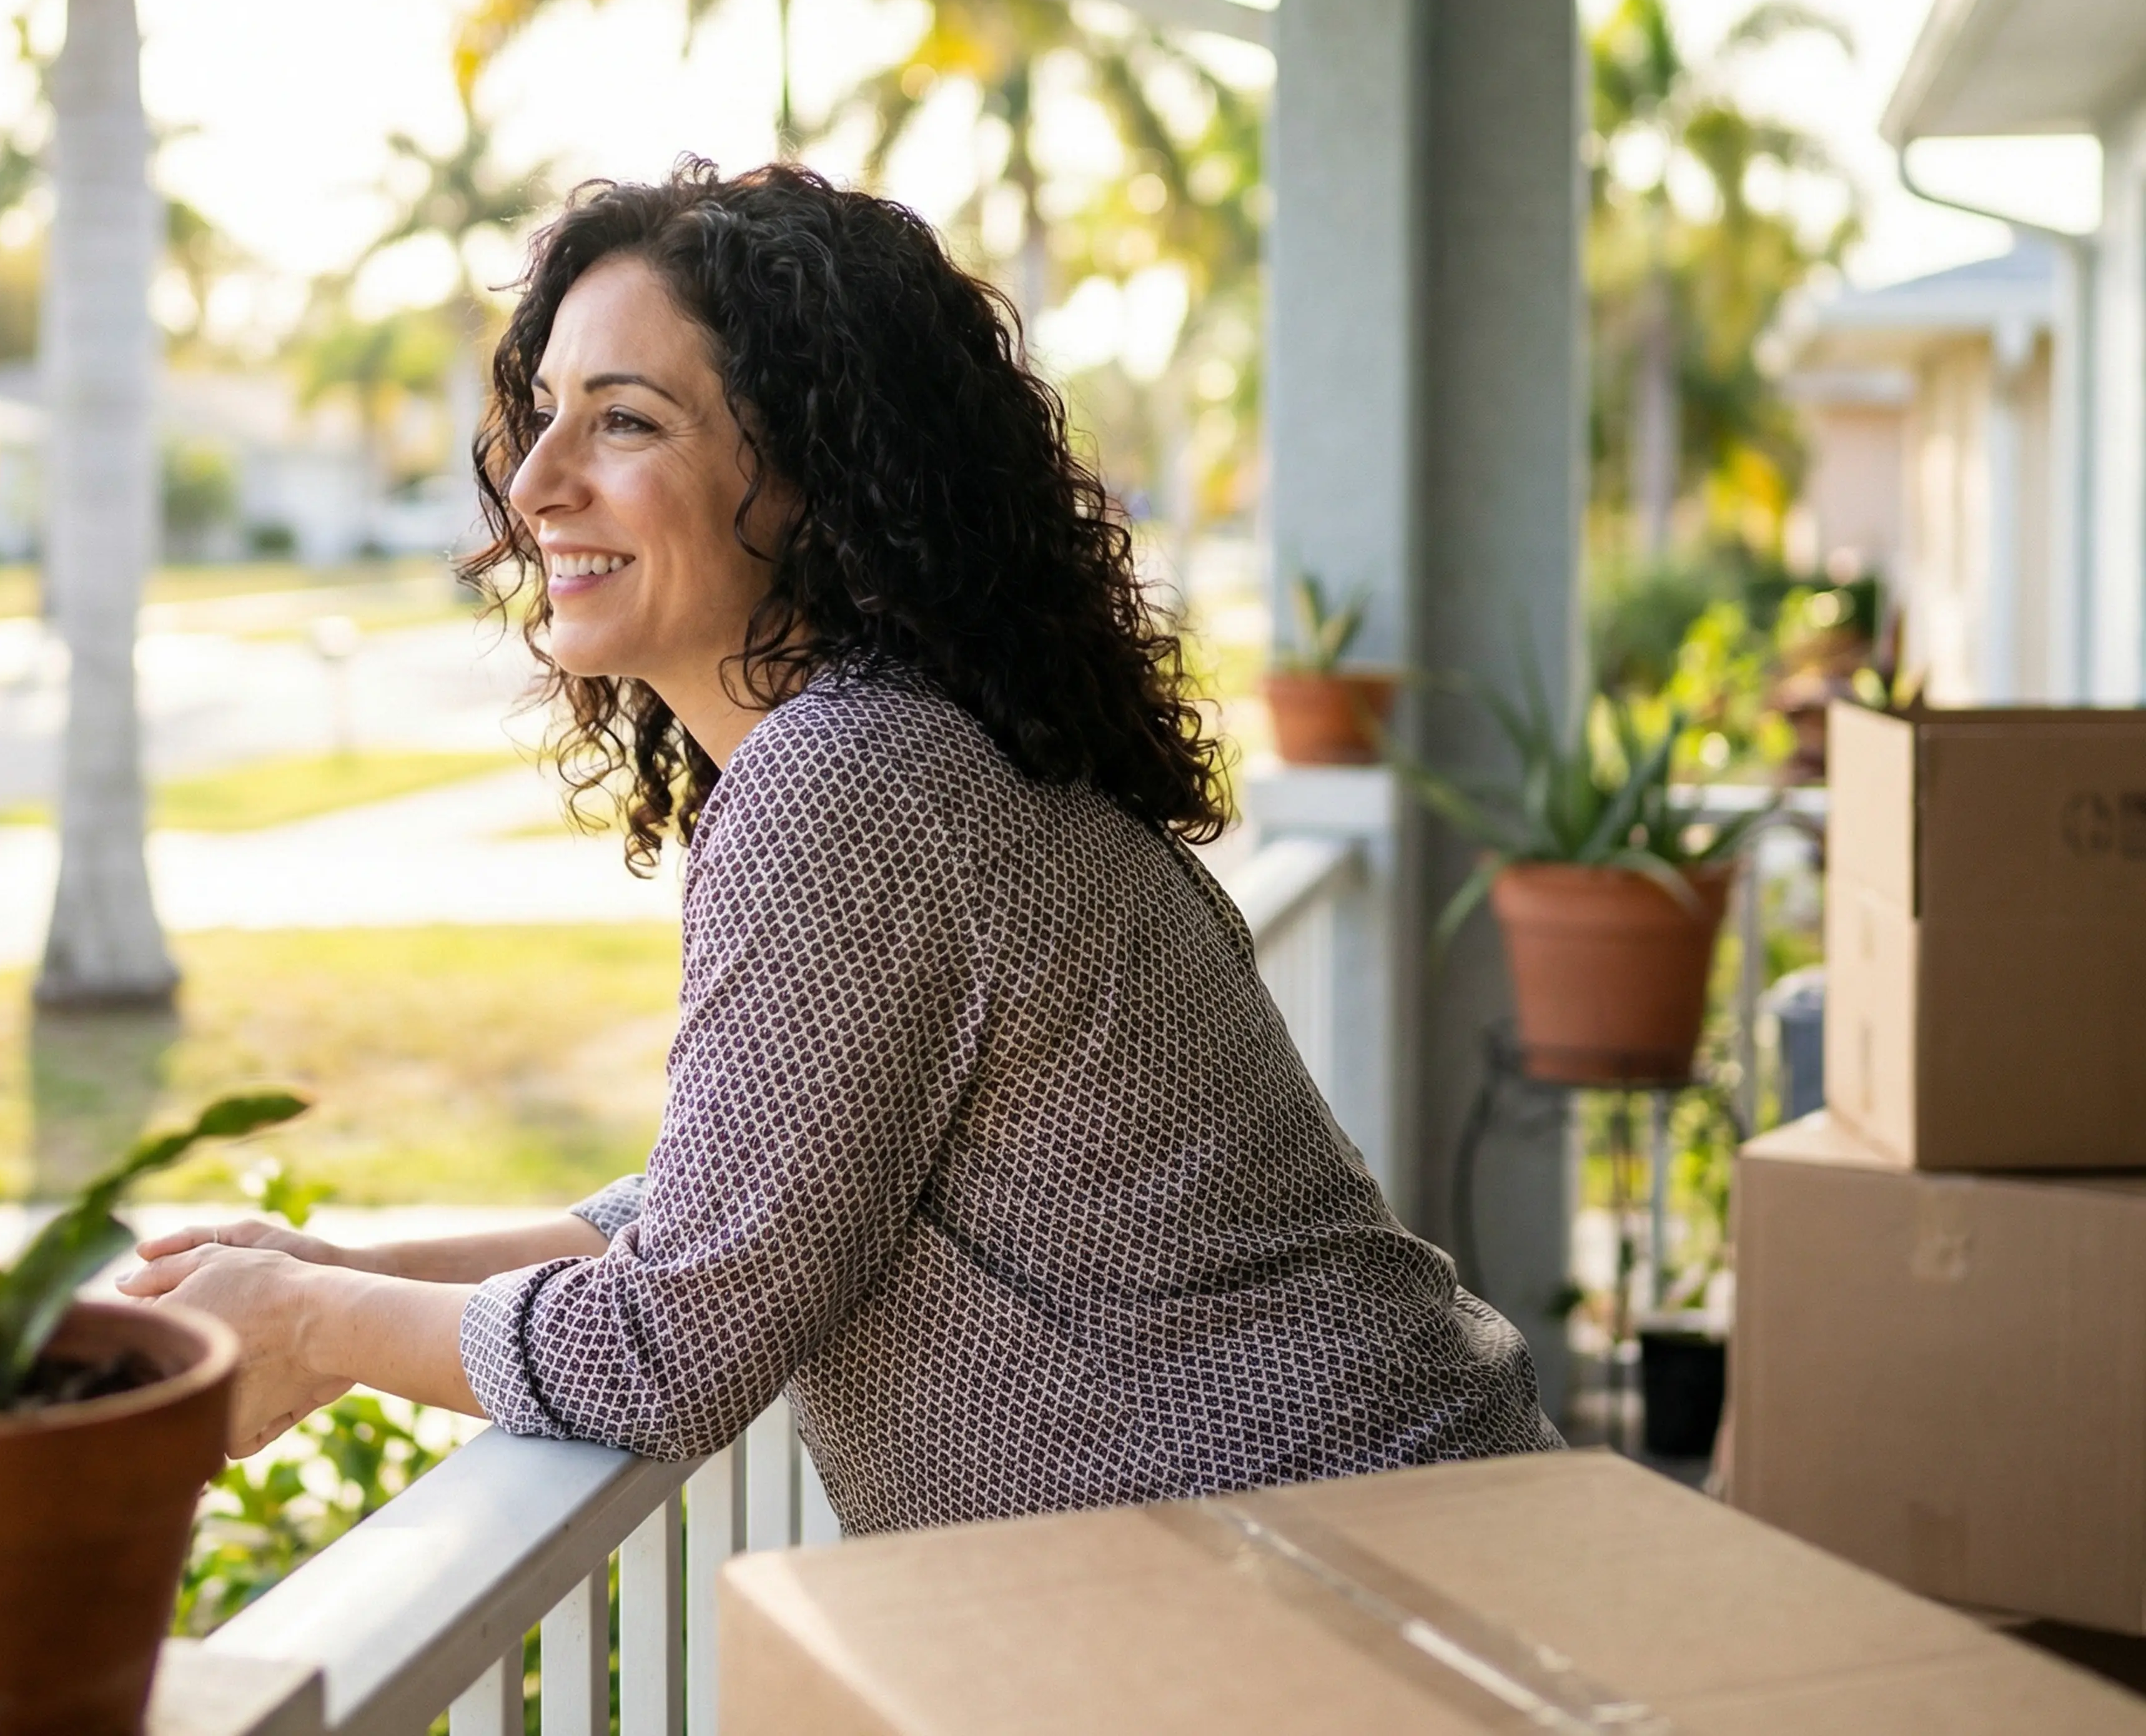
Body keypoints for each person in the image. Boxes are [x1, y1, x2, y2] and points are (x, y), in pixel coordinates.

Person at [119, 160, 1558, 1531]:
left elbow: (670, 1346)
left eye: (625, 421)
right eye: (543, 411)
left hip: (1332, 1590)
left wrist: (316, 1325)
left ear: (814, 470)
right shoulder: (912, 744)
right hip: (1357, 1538)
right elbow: (748, 1212)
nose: (536, 481)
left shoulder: (852, 780)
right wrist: (359, 1272)